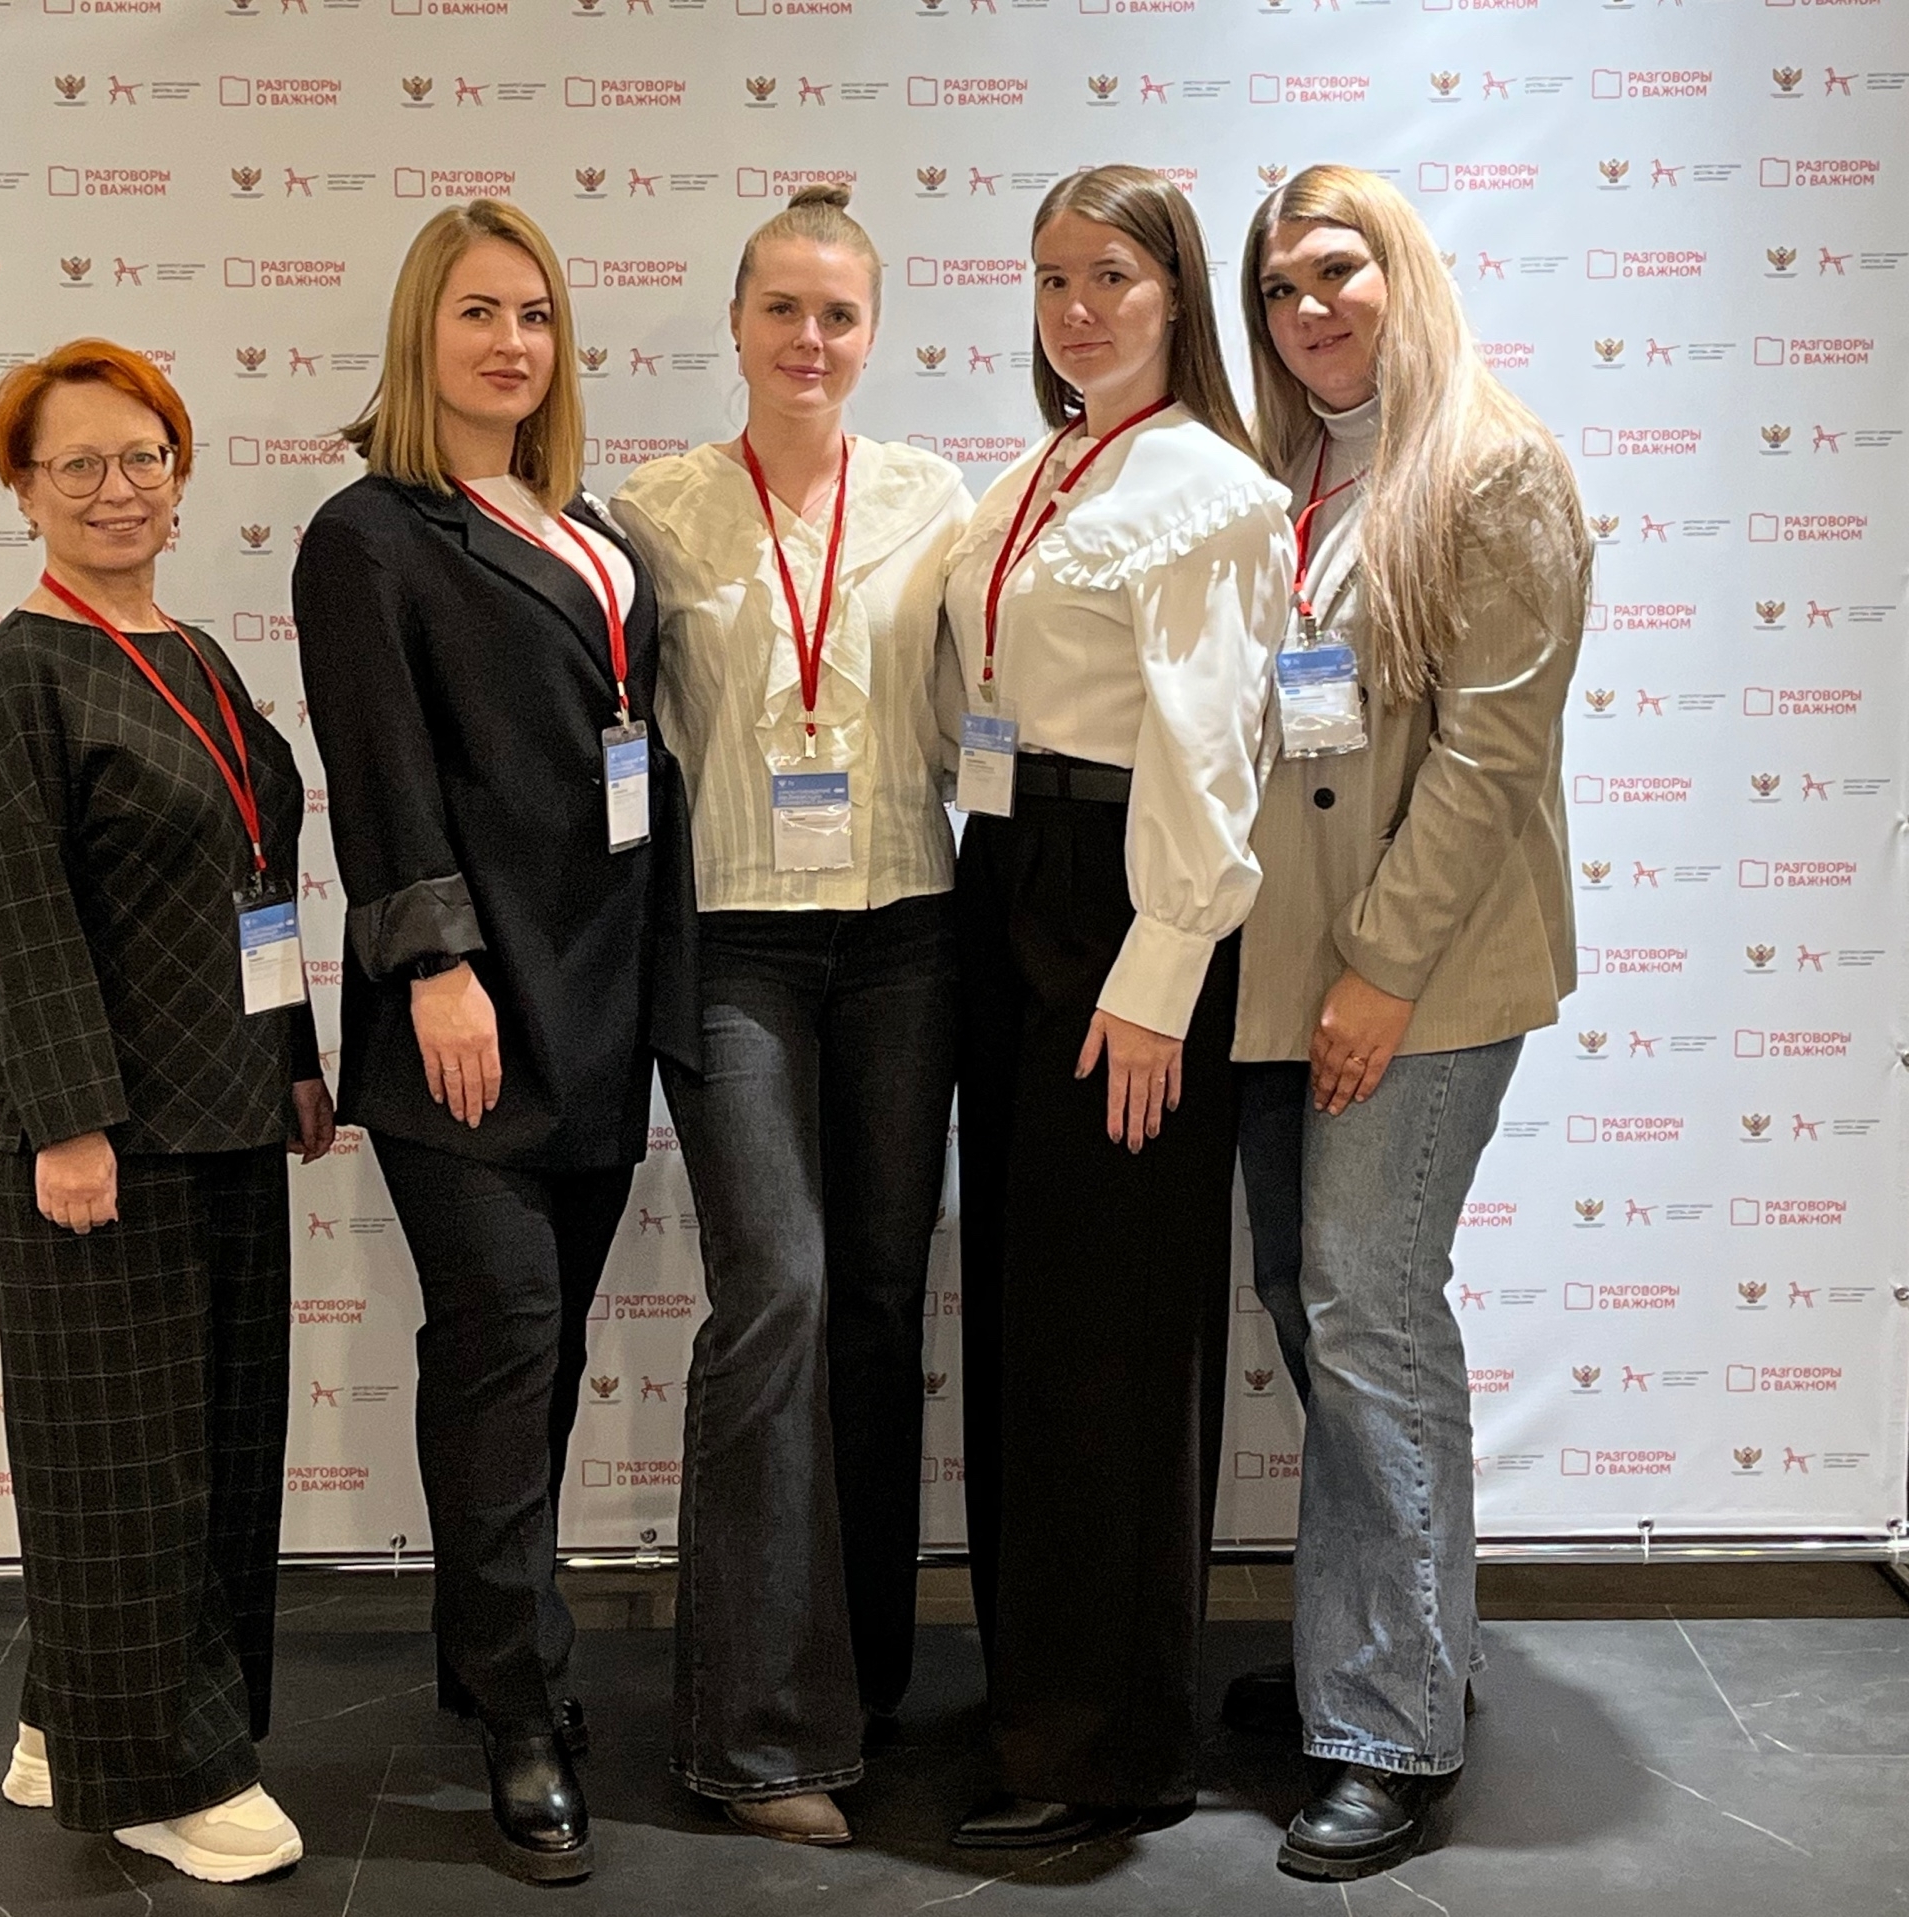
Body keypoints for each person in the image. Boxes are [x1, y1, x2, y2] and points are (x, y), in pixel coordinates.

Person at [291, 199, 701, 1884]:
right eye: (476, 312)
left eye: (534, 314)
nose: (510, 342)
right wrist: (435, 964)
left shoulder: (586, 523)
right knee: (501, 1343)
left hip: (596, 1000)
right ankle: (524, 1711)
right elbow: (379, 768)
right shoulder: (368, 534)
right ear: (423, 333)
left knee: (539, 1351)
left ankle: (486, 1650)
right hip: (464, 1012)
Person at [1224, 164, 1590, 1881]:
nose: (1310, 309)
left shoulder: (1493, 467)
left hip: (1420, 979)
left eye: (1336, 271)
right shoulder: (1292, 466)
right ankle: (1398, 1637)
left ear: (1404, 271)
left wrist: (1375, 973)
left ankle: (1387, 1720)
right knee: (1317, 1301)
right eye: (1280, 287)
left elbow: (1490, 758)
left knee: (1367, 1309)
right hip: (1290, 972)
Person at [0, 337, 335, 1885]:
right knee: (126, 1474)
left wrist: (294, 1058)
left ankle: (74, 1719)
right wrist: (68, 1125)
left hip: (224, 1118)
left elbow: (254, 885)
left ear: (180, 471)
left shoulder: (196, 657)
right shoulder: (15, 676)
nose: (118, 487)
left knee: (209, 1457)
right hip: (97, 1145)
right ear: (24, 487)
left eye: (143, 456)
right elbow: (18, 917)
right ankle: (164, 1772)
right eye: (79, 463)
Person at [607, 185, 971, 1849]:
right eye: (782, 309)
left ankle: (862, 1677)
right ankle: (755, 1732)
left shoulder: (934, 499)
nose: (808, 339)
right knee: (783, 1290)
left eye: (838, 314)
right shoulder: (655, 512)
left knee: (881, 1303)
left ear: (871, 332)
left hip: (905, 935)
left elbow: (980, 710)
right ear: (737, 325)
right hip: (736, 946)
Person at [941, 165, 1294, 1849]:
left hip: (1122, 909)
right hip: (1006, 875)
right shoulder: (1038, 473)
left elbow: (1215, 757)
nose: (1077, 309)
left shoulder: (1205, 490)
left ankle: (1110, 1744)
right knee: (1027, 1310)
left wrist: (1158, 980)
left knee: (1114, 1335)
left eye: (1113, 277)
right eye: (1052, 279)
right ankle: (1038, 1691)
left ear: (1176, 294)